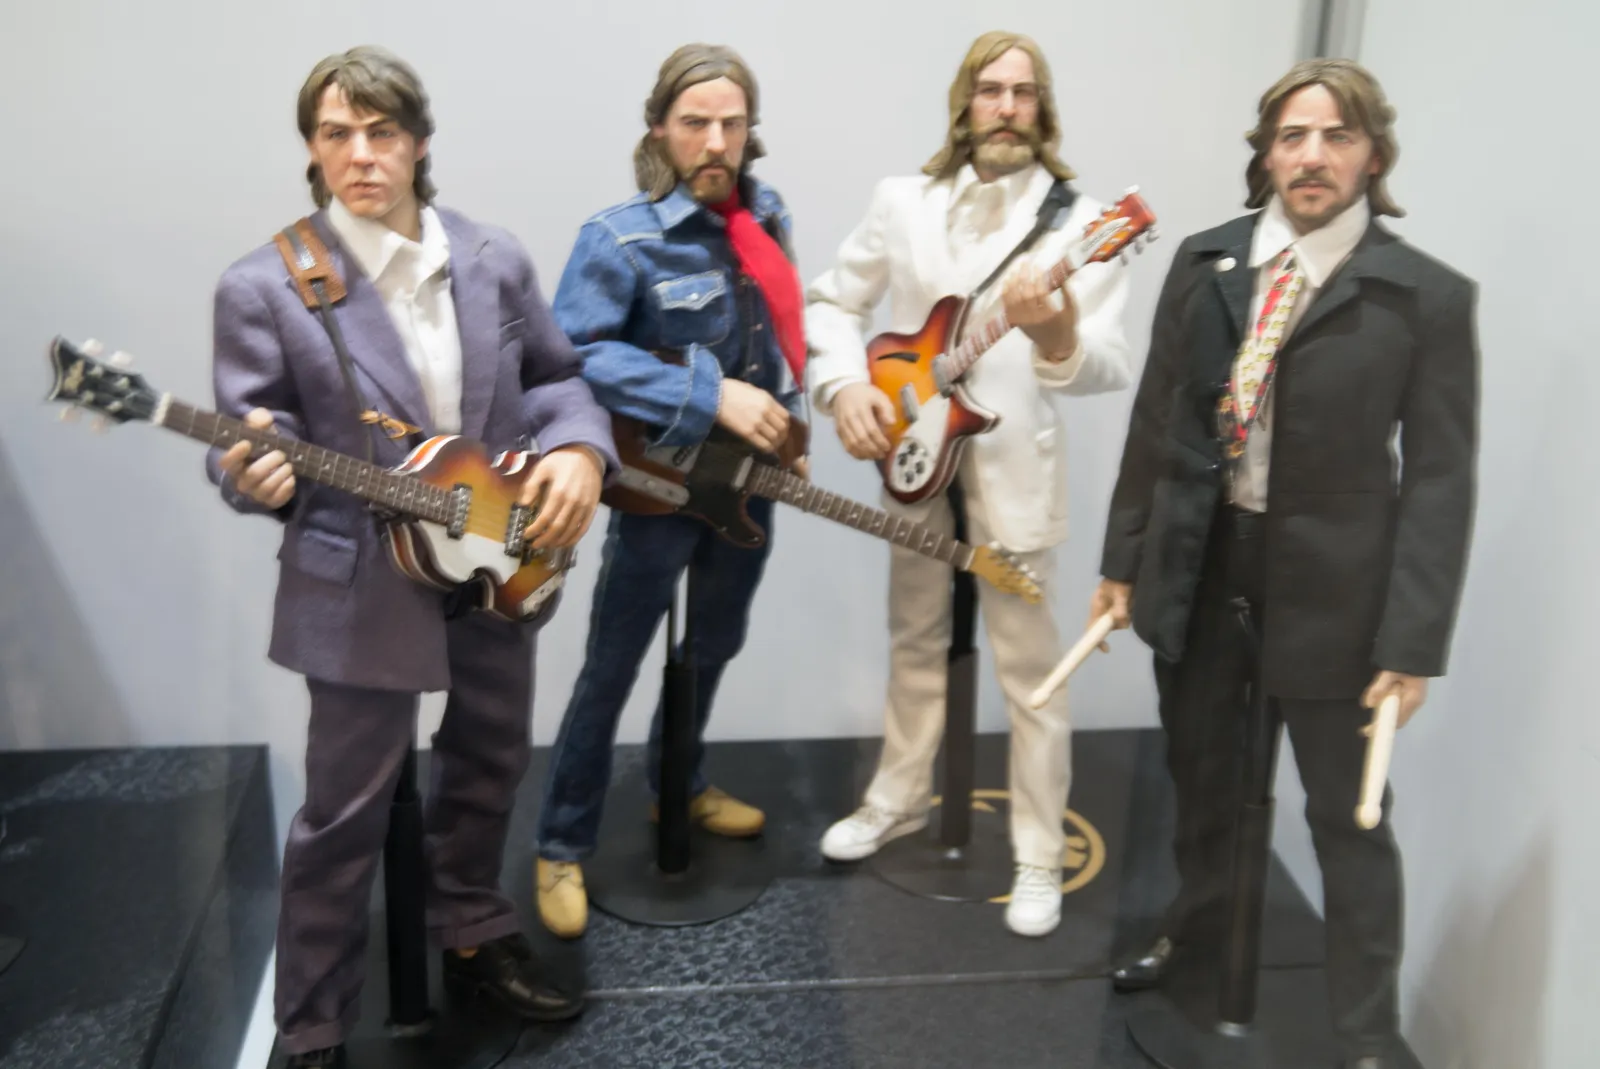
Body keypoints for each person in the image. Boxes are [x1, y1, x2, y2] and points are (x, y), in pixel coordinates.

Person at [208, 45, 616, 1067]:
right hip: (358, 579)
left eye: (381, 132)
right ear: (312, 147)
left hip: (493, 554)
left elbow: (557, 378)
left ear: (419, 142)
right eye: (336, 133)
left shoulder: (490, 257)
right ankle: (311, 1023)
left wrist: (578, 451)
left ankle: (470, 928)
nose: (360, 154)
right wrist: (253, 472)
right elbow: (247, 434)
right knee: (342, 812)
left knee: (487, 761)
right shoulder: (265, 286)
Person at [1092, 58, 1478, 1068]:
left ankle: (1366, 1025)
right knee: (1204, 779)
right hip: (1201, 562)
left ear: (1373, 156)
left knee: (1349, 815)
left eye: (1337, 136)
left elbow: (1441, 478)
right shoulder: (1205, 263)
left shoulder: (1424, 297)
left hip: (1339, 593)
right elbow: (1157, 421)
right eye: (1293, 136)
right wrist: (1125, 560)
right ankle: (1199, 938)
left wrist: (1412, 641)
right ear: (1265, 153)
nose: (1313, 156)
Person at [804, 30, 1132, 937]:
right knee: (913, 635)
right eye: (992, 90)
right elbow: (831, 299)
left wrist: (1057, 334)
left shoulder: (1085, 224)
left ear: (1044, 108)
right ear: (965, 102)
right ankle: (898, 797)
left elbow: (1109, 361)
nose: (1008, 107)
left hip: (1014, 471)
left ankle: (1038, 851)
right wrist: (845, 386)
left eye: (1025, 92)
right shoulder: (901, 201)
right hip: (916, 459)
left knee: (1031, 671)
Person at [532, 43, 806, 939]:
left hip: (747, 488)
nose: (715, 141)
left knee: (714, 642)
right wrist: (707, 394)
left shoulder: (768, 216)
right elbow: (573, 355)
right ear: (660, 129)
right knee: (612, 662)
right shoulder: (622, 237)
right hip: (659, 486)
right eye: (695, 123)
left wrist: (791, 428)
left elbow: (781, 336)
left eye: (732, 123)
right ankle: (560, 841)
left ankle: (677, 785)